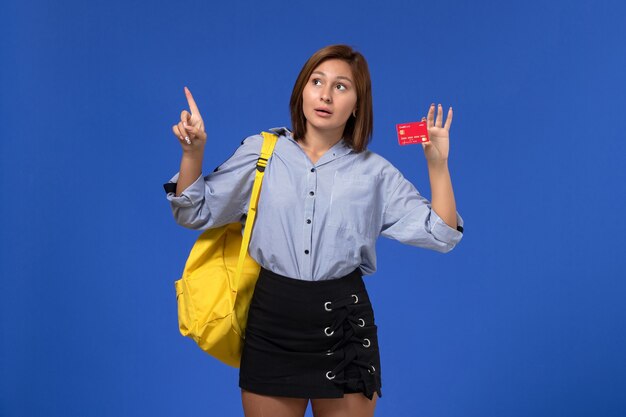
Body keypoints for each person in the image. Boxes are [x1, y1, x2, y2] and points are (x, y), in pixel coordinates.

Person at [164, 44, 464, 417]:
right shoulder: (263, 152)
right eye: (316, 81)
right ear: (301, 90)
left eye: (341, 86)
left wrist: (438, 165)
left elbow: (441, 234)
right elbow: (193, 211)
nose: (325, 94)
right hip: (272, 321)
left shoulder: (375, 172)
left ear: (357, 104)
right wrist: (192, 154)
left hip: (345, 325)